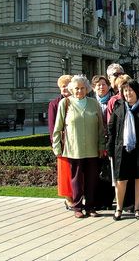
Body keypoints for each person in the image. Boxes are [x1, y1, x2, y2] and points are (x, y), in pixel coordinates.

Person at [52, 75, 106, 218]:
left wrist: (102, 145)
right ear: (71, 89)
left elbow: (101, 127)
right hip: (73, 149)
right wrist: (57, 147)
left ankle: (90, 207)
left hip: (92, 149)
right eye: (76, 88)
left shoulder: (94, 103)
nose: (79, 91)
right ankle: (77, 207)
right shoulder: (65, 103)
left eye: (82, 88)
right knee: (76, 179)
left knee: (91, 179)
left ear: (87, 89)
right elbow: (57, 128)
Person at [107, 79, 139, 221]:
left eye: (130, 90)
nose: (128, 93)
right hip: (121, 148)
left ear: (137, 91)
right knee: (121, 179)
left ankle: (137, 208)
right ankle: (119, 208)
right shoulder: (118, 106)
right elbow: (111, 129)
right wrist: (110, 148)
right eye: (125, 90)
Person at [48, 74, 73, 210]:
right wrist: (55, 144)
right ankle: (68, 199)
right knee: (65, 173)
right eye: (63, 86)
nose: (65, 88)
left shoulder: (77, 101)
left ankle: (77, 197)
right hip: (63, 144)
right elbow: (52, 127)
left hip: (77, 144)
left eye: (68, 85)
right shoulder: (55, 104)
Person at [91, 74, 115, 210]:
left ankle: (108, 201)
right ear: (94, 88)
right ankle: (96, 200)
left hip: (109, 141)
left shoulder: (113, 100)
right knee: (96, 172)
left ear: (108, 86)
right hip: (94, 141)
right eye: (98, 85)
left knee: (108, 172)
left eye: (104, 84)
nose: (101, 87)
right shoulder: (90, 101)